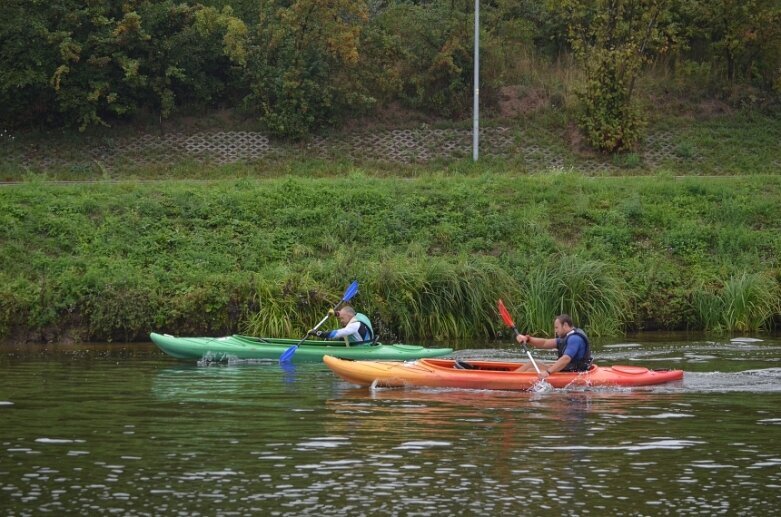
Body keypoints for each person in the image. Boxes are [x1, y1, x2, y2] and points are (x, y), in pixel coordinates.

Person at [515, 314, 592, 377]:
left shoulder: (575, 339)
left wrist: (548, 372)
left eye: (556, 328)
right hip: (565, 370)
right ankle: (509, 376)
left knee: (531, 371)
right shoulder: (566, 337)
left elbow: (566, 359)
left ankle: (511, 381)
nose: (555, 330)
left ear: (565, 325)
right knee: (532, 363)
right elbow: (544, 343)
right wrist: (527, 339)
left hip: (573, 374)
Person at [309, 305, 375, 345]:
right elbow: (344, 313)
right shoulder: (359, 315)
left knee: (340, 337)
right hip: (368, 344)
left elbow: (335, 334)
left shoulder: (354, 326)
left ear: (349, 315)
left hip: (362, 349)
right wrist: (335, 313)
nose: (341, 321)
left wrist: (317, 333)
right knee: (342, 339)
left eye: (342, 318)